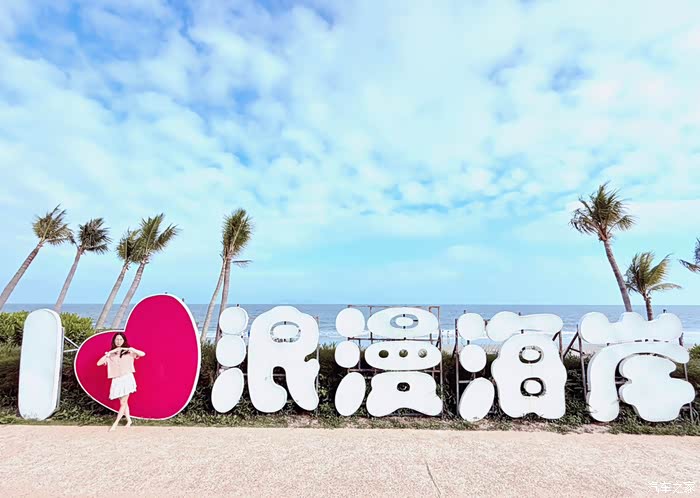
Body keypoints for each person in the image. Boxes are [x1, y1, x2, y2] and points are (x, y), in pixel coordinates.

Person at [96, 332, 145, 431]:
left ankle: (115, 423)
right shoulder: (111, 354)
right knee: (124, 402)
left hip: (127, 378)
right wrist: (110, 352)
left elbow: (142, 354)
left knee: (123, 402)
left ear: (124, 341)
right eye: (117, 339)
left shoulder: (129, 352)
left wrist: (130, 349)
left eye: (120, 339)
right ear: (114, 341)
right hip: (116, 379)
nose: (118, 341)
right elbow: (99, 363)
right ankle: (129, 420)